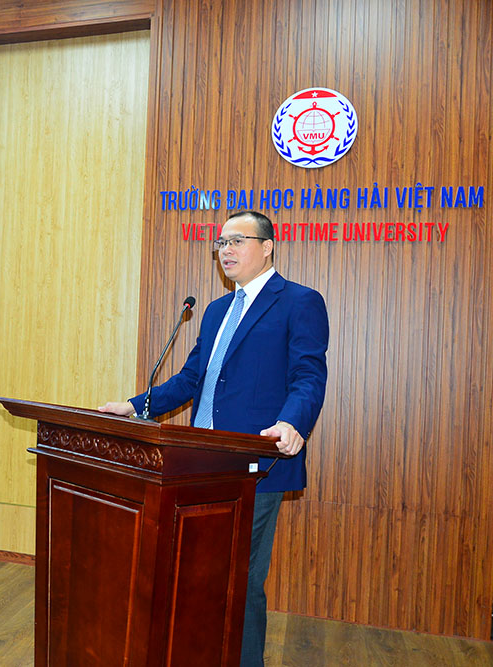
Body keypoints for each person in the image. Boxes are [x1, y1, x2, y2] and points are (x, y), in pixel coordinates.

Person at [99, 210, 328, 667]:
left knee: (240, 580)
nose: (226, 250)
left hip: (253, 465)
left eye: (237, 240)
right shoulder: (216, 310)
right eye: (221, 243)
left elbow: (308, 374)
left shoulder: (299, 302)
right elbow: (190, 380)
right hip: (197, 464)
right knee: (195, 573)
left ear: (267, 247)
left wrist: (292, 423)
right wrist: (134, 406)